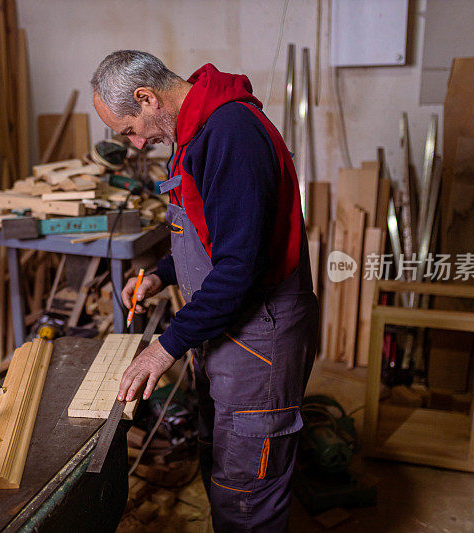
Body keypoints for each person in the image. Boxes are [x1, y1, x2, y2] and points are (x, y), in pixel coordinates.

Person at [90, 50, 318, 531]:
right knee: (223, 466)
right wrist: (162, 274)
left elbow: (238, 266)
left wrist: (163, 349)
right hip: (225, 333)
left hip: (260, 338)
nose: (135, 144)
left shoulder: (229, 132)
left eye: (129, 129)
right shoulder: (194, 131)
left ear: (146, 97)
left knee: (247, 495)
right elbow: (213, 232)